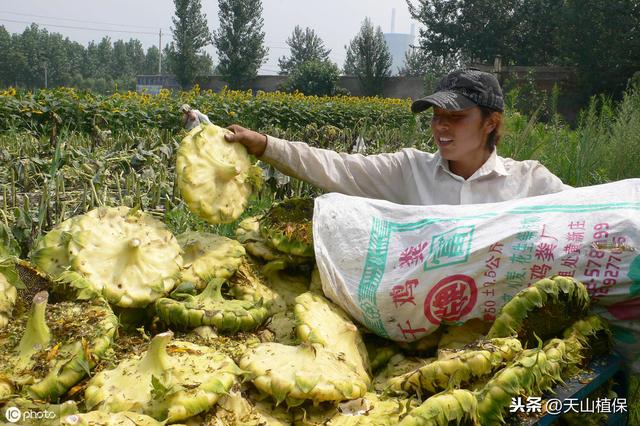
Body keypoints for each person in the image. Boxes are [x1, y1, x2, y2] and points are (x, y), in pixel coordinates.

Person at [224, 69, 569, 205]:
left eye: (455, 118)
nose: (440, 127)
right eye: (436, 117)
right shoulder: (410, 172)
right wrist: (265, 145)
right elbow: (336, 167)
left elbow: (599, 214)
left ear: (491, 123)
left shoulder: (530, 183)